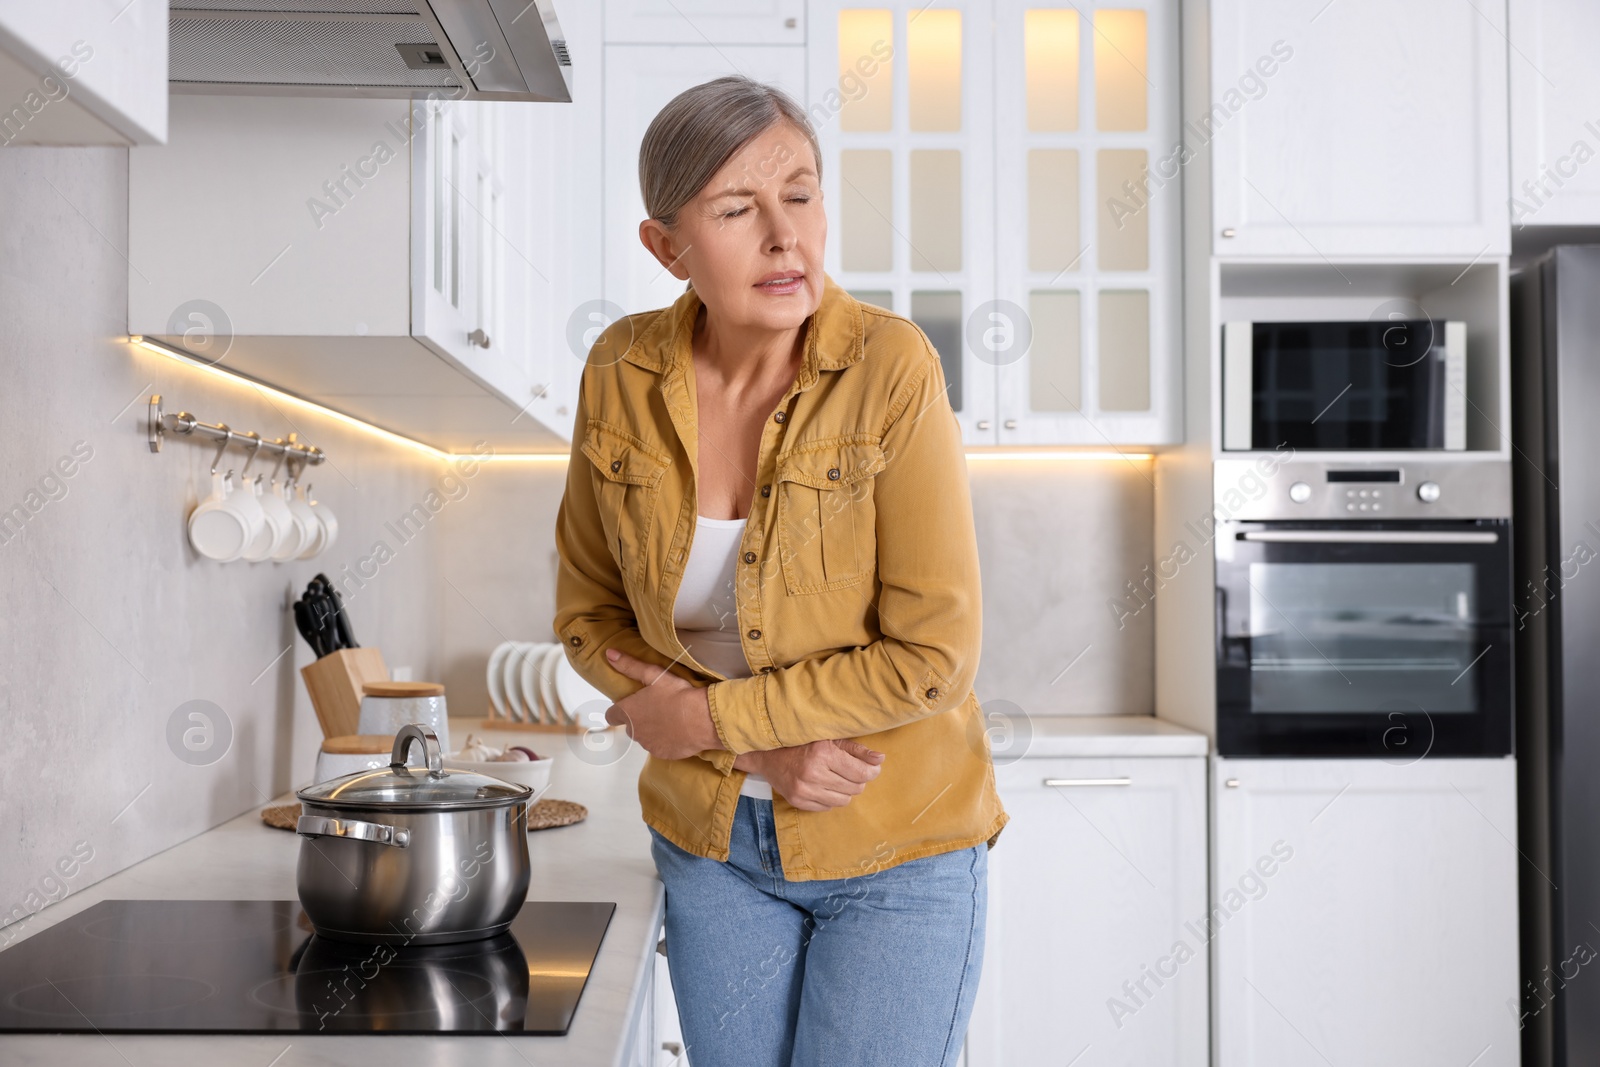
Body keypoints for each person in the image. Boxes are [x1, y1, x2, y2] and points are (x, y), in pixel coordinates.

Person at [552, 74, 1007, 1067]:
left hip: (897, 844)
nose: (783, 236)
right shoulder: (618, 372)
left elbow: (933, 655)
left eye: (799, 194)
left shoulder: (891, 368)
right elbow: (588, 613)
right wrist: (756, 753)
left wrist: (713, 720)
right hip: (711, 846)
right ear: (665, 246)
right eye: (733, 208)